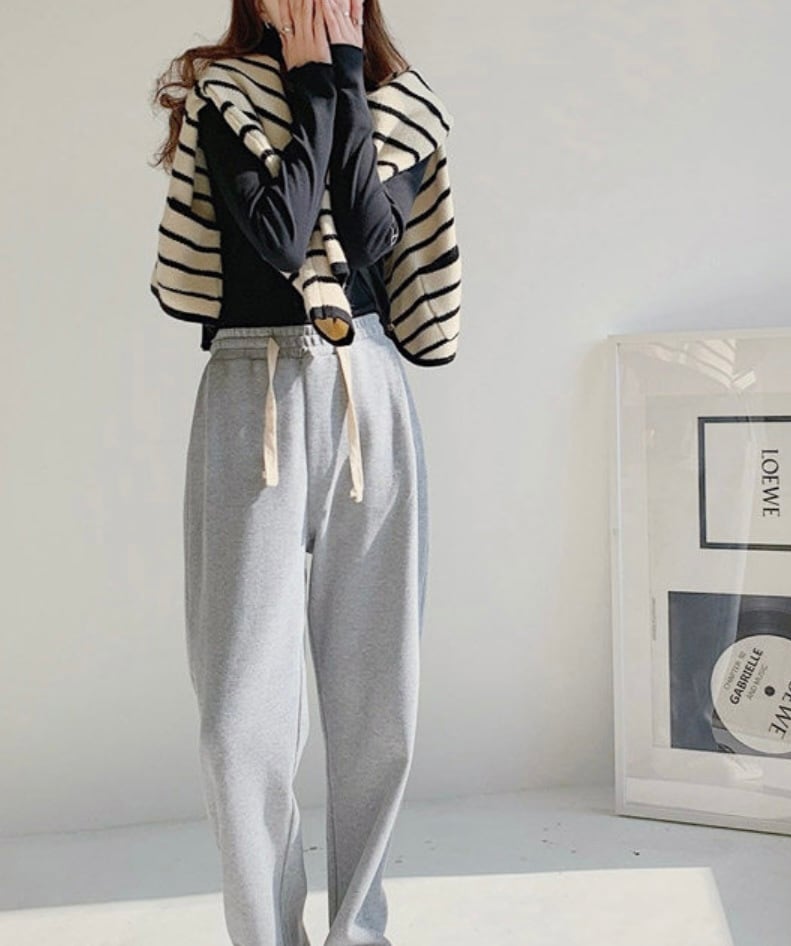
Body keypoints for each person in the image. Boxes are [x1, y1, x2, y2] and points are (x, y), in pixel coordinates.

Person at [150, 1, 436, 944]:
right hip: (252, 393)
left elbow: (369, 232)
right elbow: (279, 237)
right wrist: (314, 83)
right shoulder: (225, 94)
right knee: (238, 714)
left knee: (377, 703)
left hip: (368, 396)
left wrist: (343, 78)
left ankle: (361, 934)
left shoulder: (402, 102)